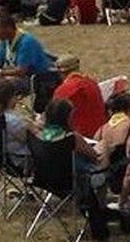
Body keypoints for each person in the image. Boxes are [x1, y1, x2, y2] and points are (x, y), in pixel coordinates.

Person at [39, 99, 108, 240]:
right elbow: (95, 157)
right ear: (68, 117)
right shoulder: (72, 138)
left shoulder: (40, 135)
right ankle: (99, 216)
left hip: (45, 181)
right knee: (104, 148)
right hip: (76, 183)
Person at [0, 13, 53, 101]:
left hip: (34, 78)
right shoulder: (6, 40)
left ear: (8, 28)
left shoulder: (26, 42)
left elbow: (21, 71)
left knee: (2, 86)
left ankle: (1, 110)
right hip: (15, 74)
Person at [51, 55, 105, 139]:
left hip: (80, 137)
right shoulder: (91, 82)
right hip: (99, 133)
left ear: (61, 73)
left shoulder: (64, 89)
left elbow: (54, 119)